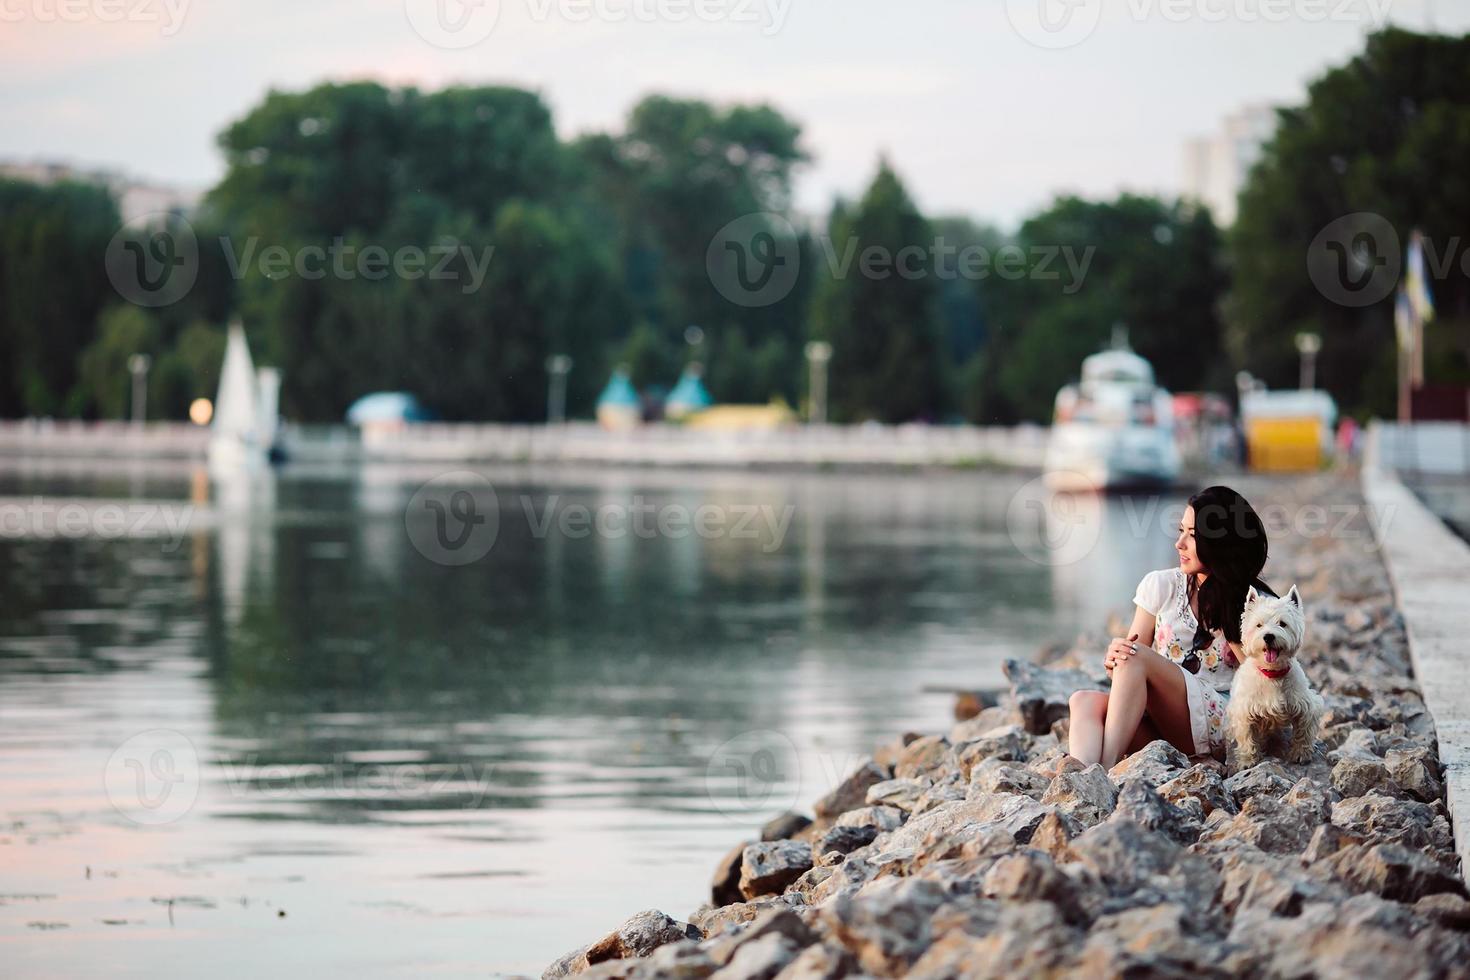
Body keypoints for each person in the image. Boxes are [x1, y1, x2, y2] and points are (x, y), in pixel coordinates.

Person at [1065, 486, 1275, 768]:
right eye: (1181, 531)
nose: (1180, 544)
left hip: (1225, 724)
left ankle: (1105, 768)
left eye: (1193, 535)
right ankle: (1082, 776)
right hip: (1167, 722)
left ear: (1221, 541)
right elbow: (1127, 668)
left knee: (1136, 656)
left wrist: (1231, 615)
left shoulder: (1257, 603)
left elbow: (1267, 682)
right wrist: (1114, 661)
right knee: (1083, 700)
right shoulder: (1161, 585)